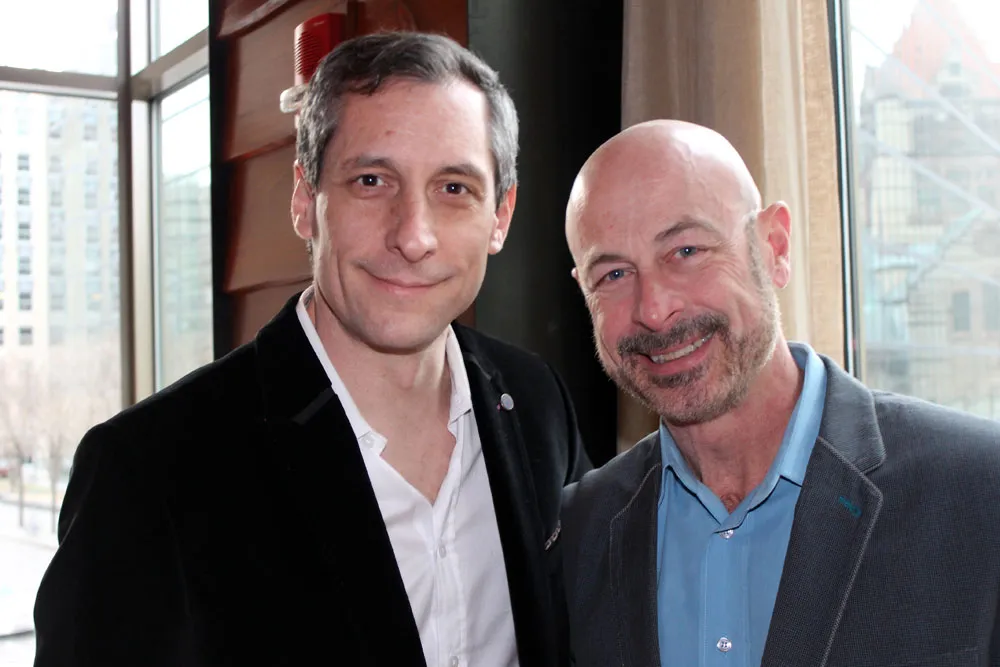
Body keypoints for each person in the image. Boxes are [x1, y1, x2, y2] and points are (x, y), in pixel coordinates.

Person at [33, 32, 589, 667]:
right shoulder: (149, 472)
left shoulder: (537, 403)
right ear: (306, 201)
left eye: (454, 188)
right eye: (372, 180)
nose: (414, 236)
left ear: (501, 216)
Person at [560, 119, 1000, 667]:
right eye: (614, 275)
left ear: (775, 247)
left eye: (686, 250)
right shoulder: (580, 532)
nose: (654, 308)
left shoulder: (979, 490)